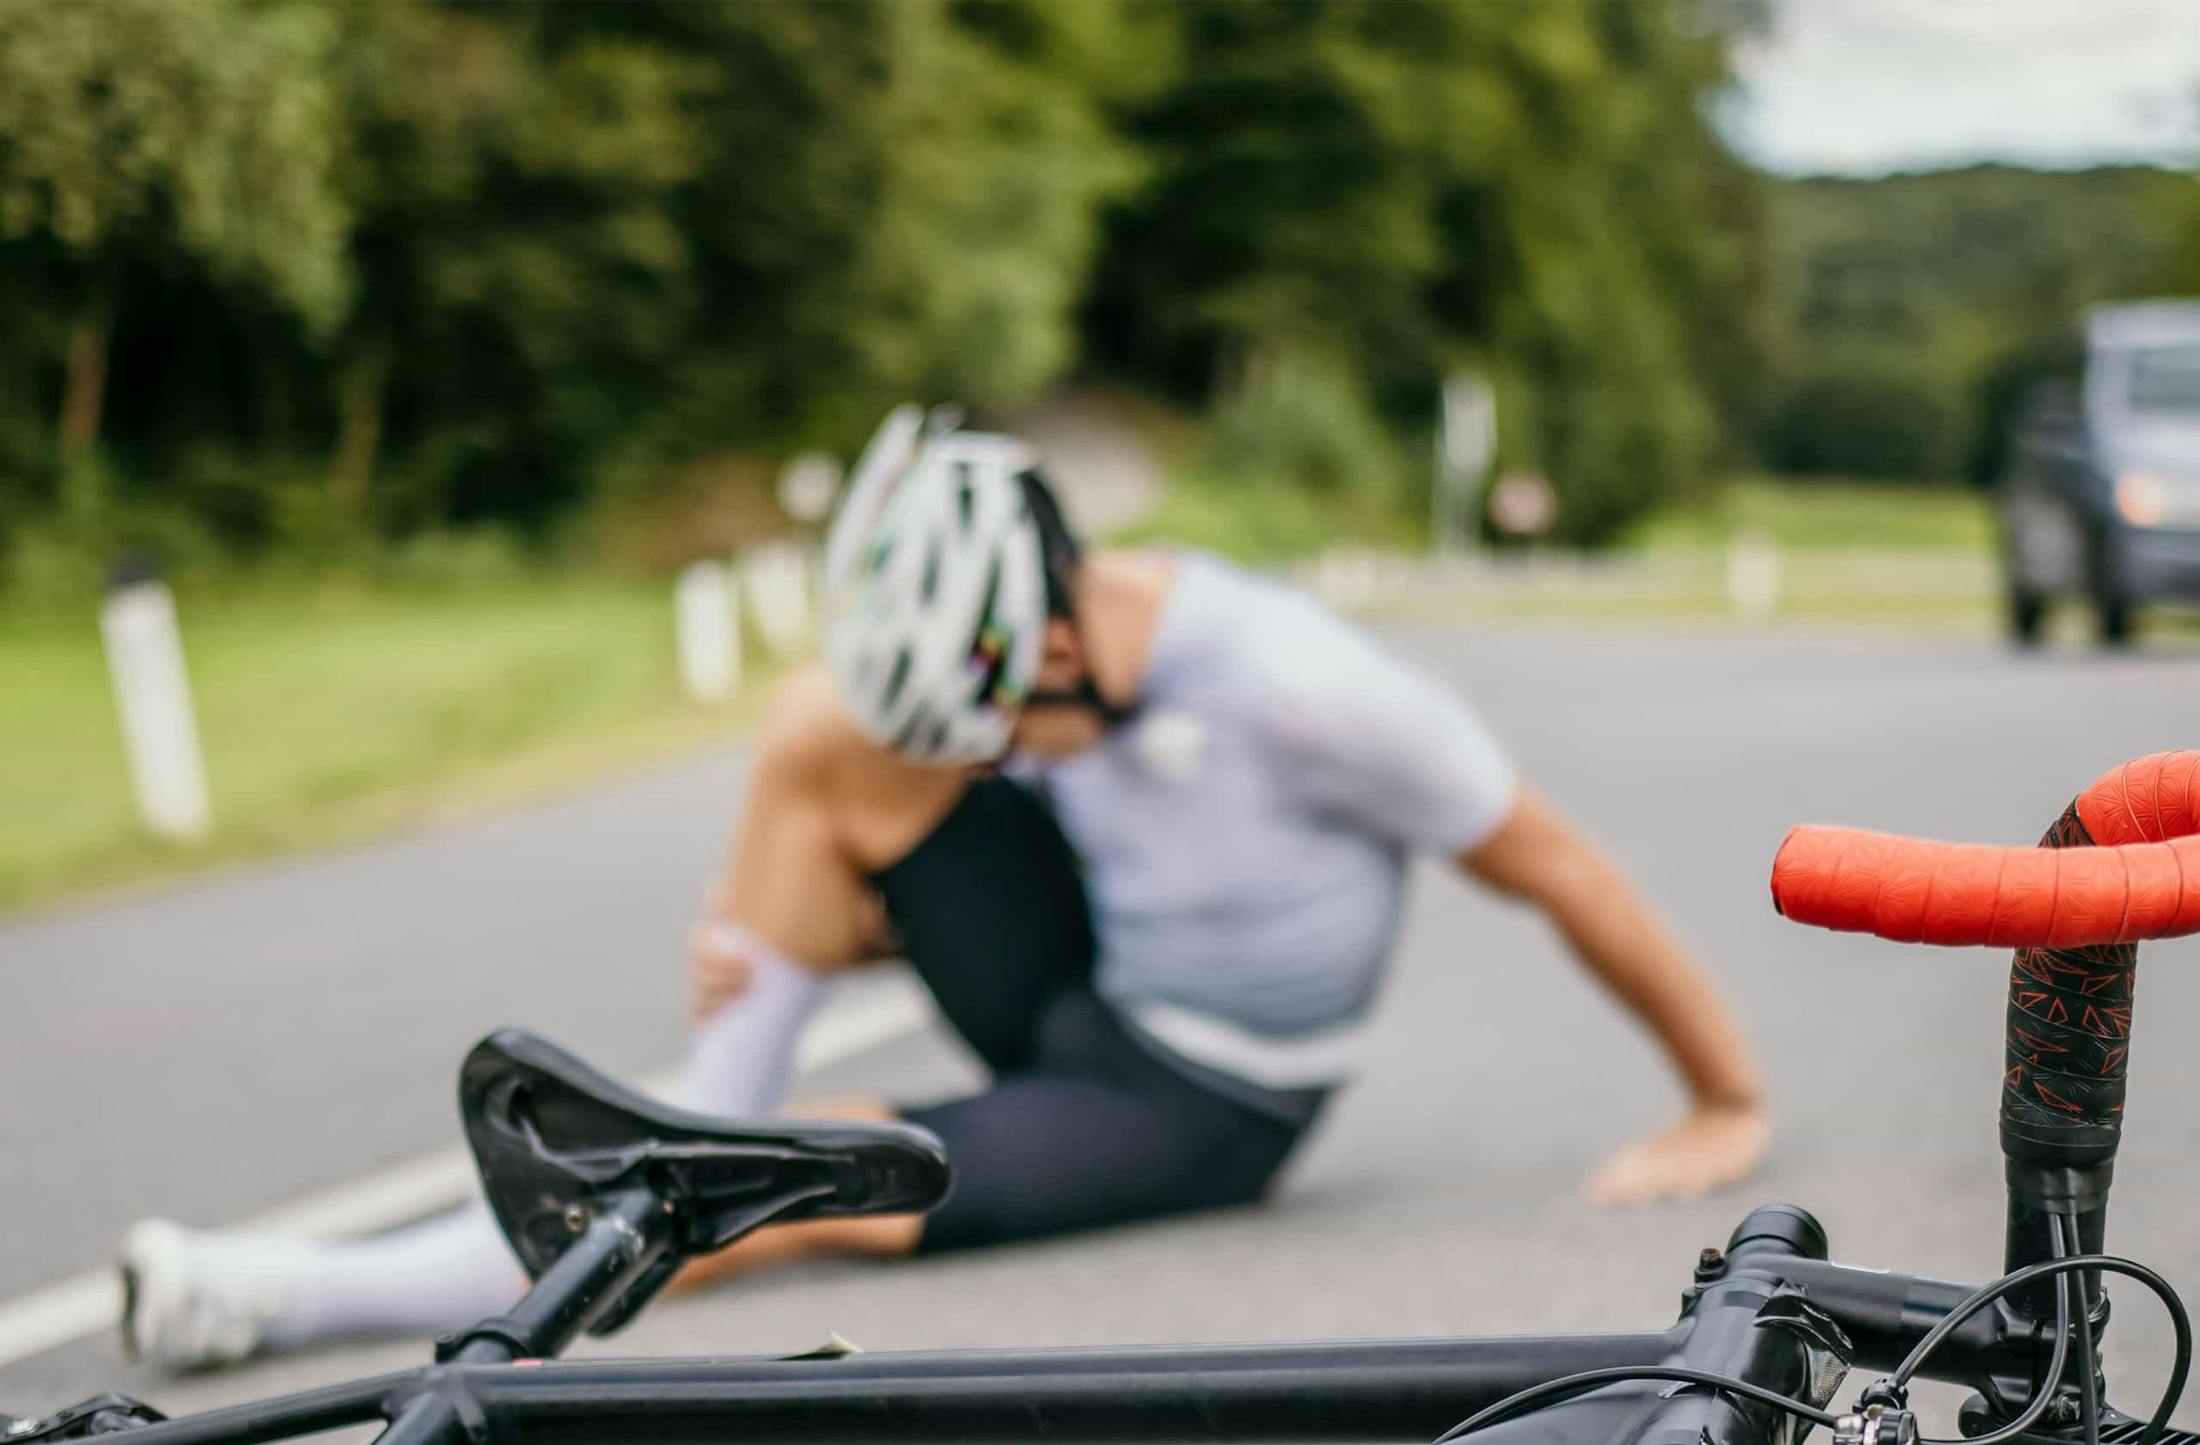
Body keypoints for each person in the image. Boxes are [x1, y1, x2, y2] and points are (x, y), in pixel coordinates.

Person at [120, 407, 1768, 1370]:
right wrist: (769, 928)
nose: (998, 757)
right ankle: (714, 1109)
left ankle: (286, 1299)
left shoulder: (1299, 691)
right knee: (813, 737)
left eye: (1004, 729)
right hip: (1089, 976)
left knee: (783, 1208)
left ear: (1059, 634)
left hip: (1203, 1096)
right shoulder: (1034, 666)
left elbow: (1561, 868)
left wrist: (1720, 1101)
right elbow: (920, 765)